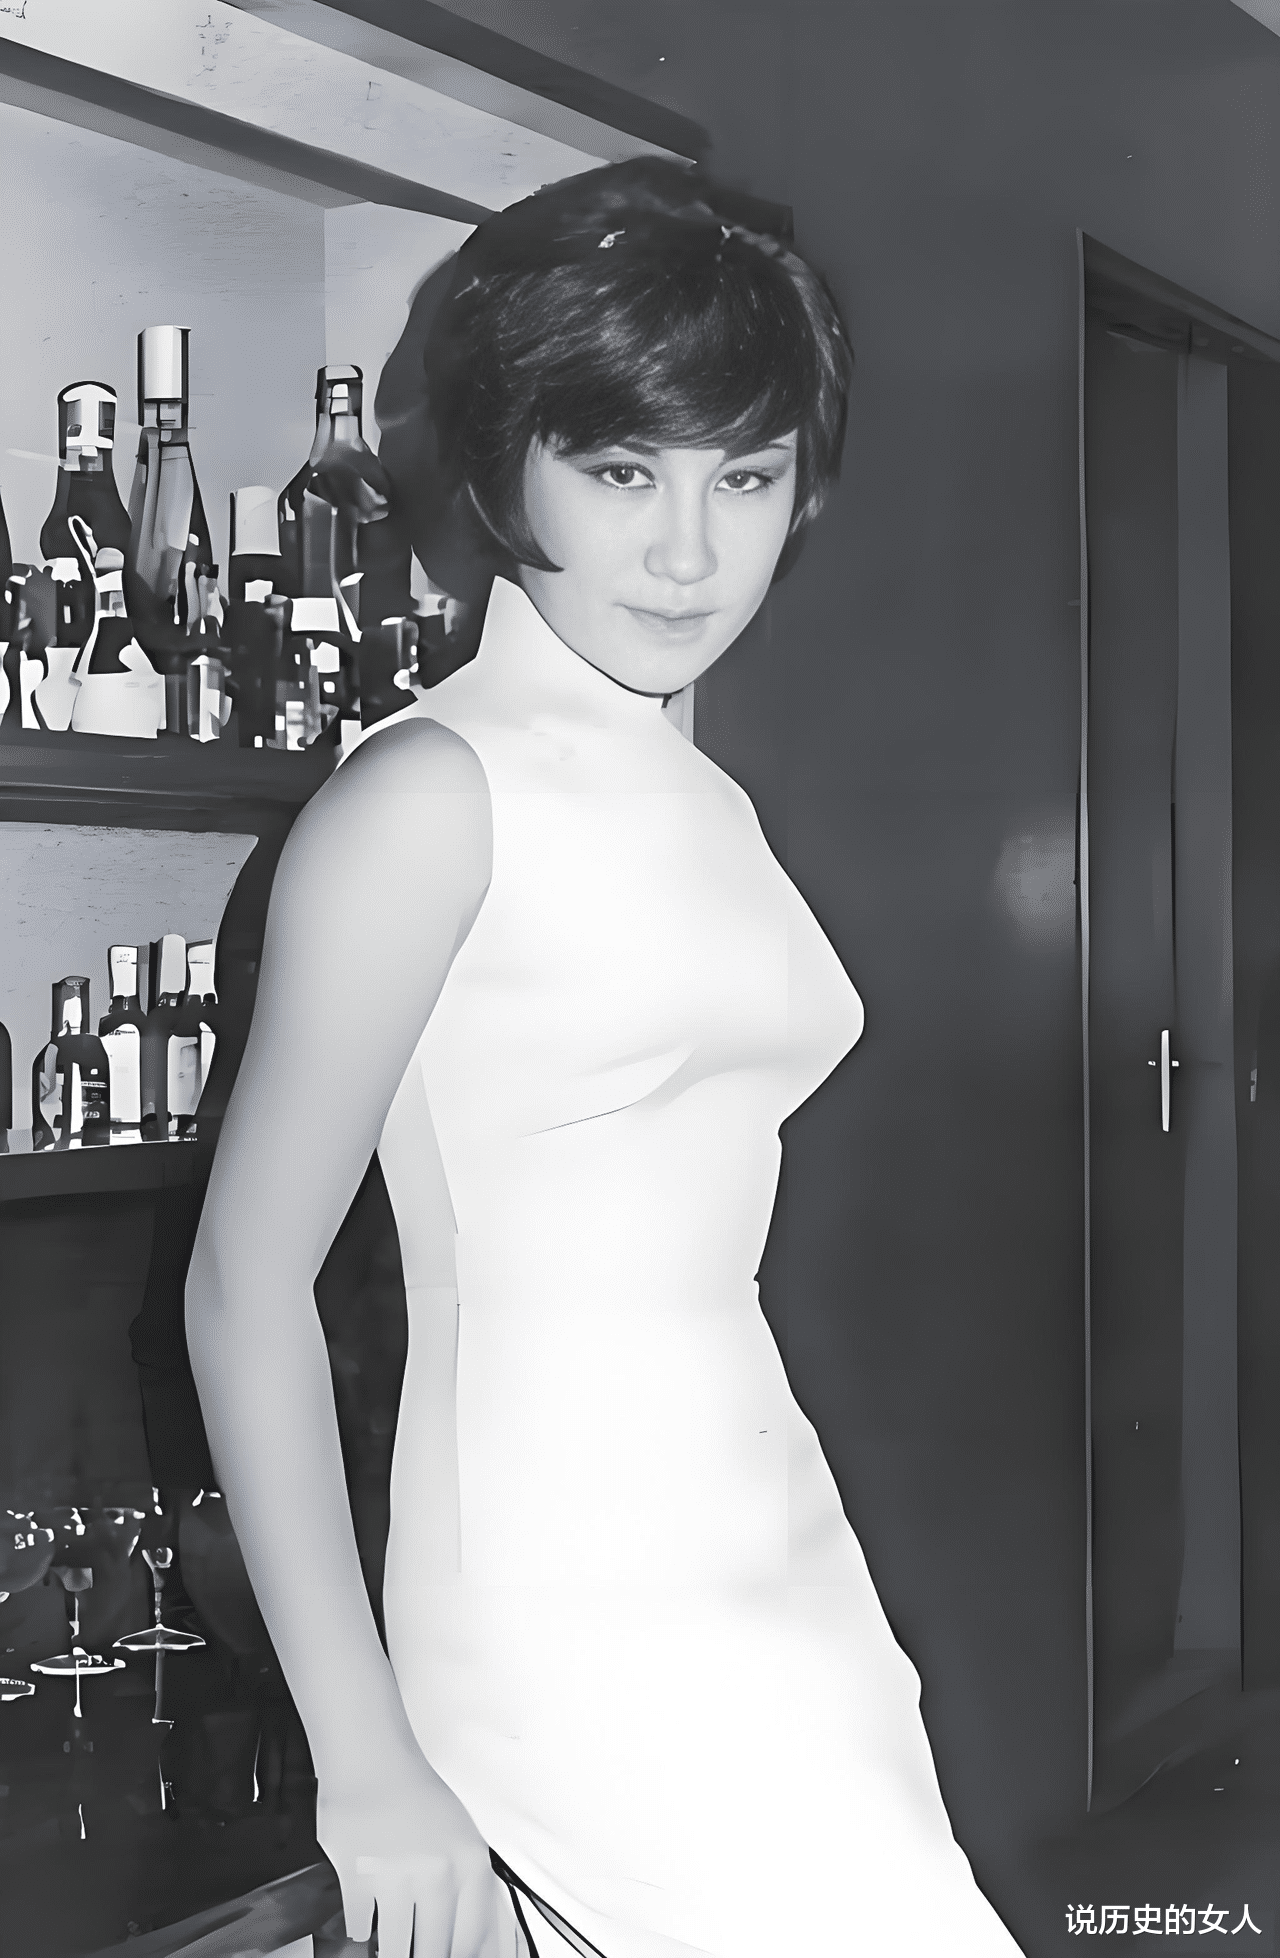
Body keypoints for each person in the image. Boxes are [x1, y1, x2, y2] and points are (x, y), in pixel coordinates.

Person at [186, 158, 1024, 1958]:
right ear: (509, 469)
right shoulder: (427, 798)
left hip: (765, 1549)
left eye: (747, 476)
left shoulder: (695, 792)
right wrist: (367, 1757)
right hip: (562, 1599)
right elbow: (243, 1286)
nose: (690, 551)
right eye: (625, 471)